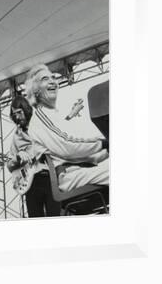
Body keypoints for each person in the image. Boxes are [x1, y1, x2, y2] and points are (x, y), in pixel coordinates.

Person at [24, 64, 109, 192]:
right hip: (68, 175)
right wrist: (103, 142)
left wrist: (108, 148)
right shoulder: (40, 117)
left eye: (53, 77)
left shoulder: (55, 116)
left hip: (81, 170)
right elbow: (68, 146)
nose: (52, 81)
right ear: (36, 91)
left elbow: (90, 158)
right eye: (45, 79)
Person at [6, 95, 61, 217]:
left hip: (49, 178)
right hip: (30, 184)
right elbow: (9, 166)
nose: (17, 117)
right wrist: (18, 156)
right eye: (14, 114)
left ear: (26, 109)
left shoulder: (41, 126)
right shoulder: (16, 137)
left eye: (19, 112)